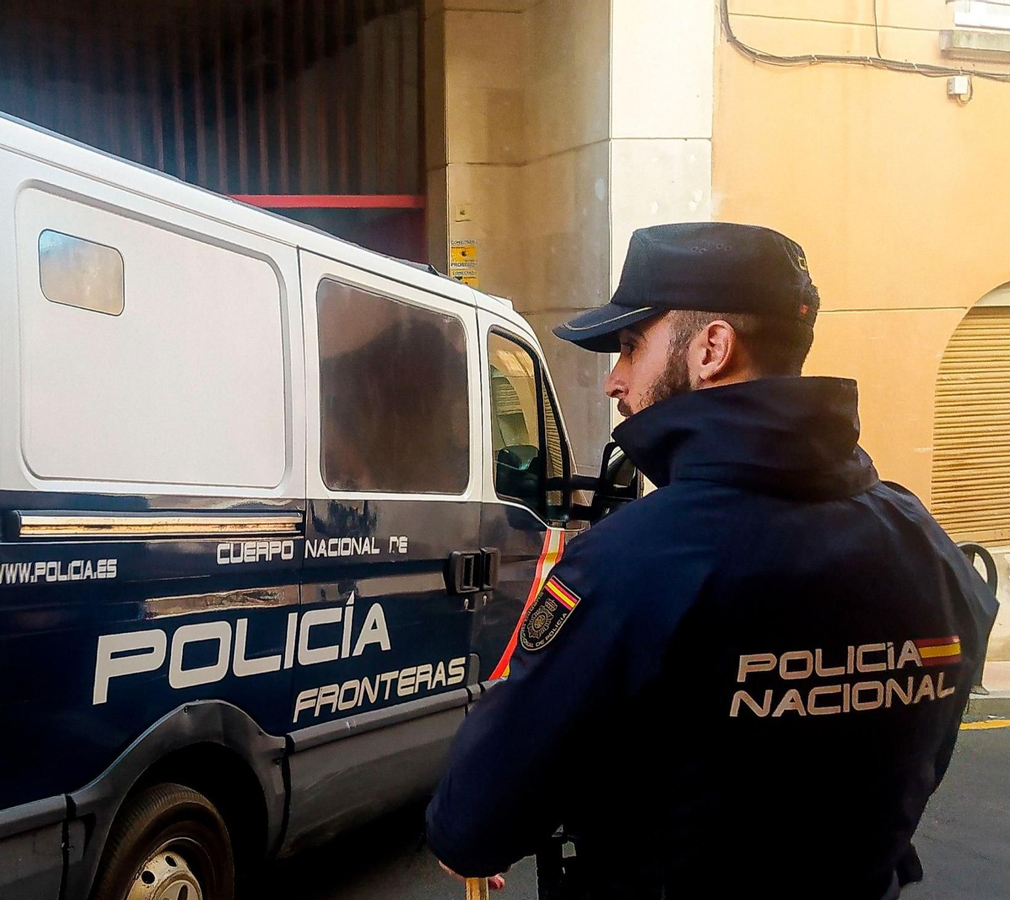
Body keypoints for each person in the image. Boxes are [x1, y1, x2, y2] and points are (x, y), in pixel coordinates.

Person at [425, 222, 999, 900]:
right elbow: (920, 762)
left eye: (631, 347)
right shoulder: (922, 539)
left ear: (712, 349)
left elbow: (472, 827)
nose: (615, 380)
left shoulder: (628, 564)